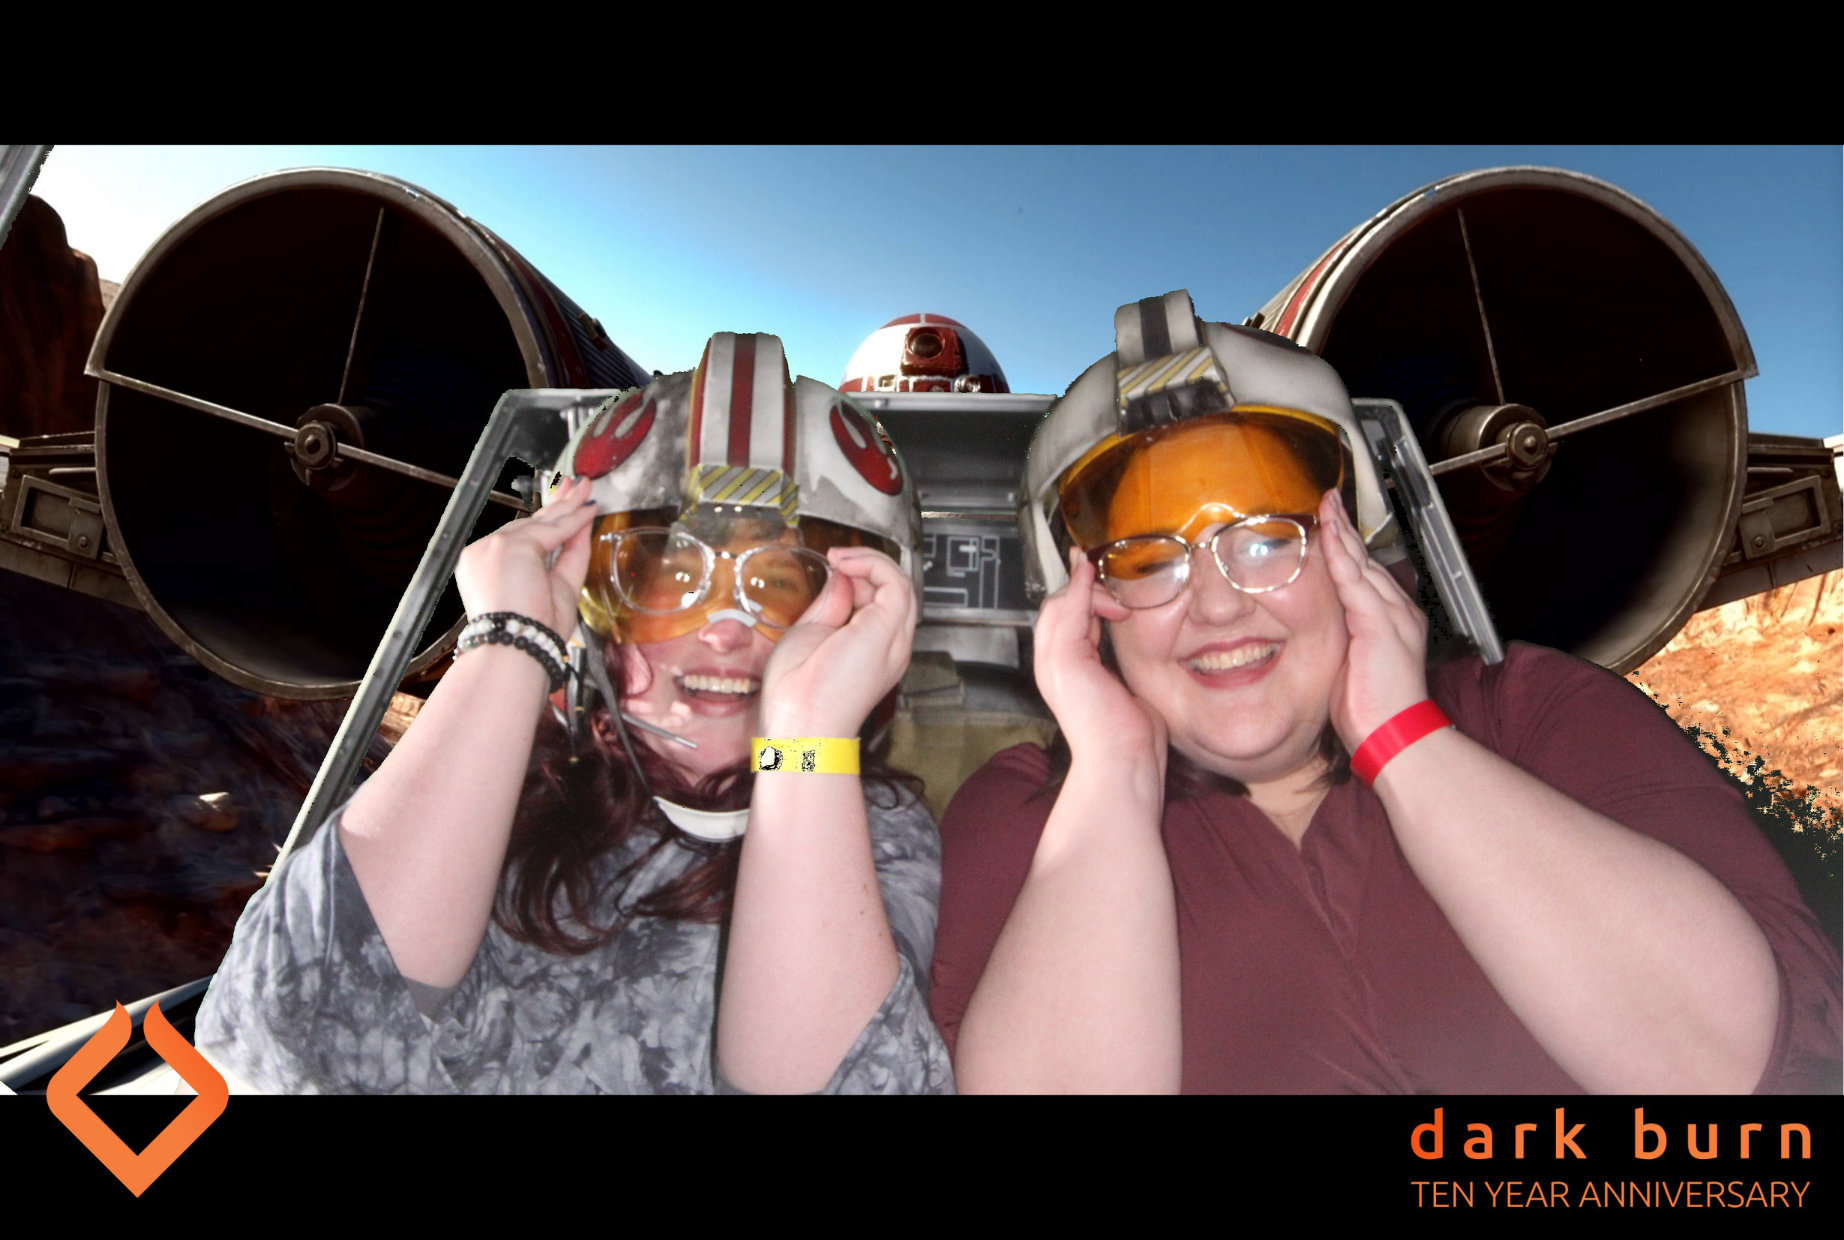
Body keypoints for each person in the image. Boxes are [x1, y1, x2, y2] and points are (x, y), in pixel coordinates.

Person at [928, 290, 1842, 1094]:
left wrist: (1403, 735)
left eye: (1266, 538)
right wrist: (1115, 773)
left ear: (1355, 553)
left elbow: (1726, 1063)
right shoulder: (1024, 813)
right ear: (1089, 609)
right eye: (1147, 559)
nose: (1215, 604)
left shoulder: (1534, 713)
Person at [196, 333, 952, 1094]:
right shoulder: (504, 779)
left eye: (782, 585)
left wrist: (807, 741)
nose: (725, 631)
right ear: (598, 614)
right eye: (670, 578)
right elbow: (283, 1039)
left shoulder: (873, 828)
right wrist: (509, 644)